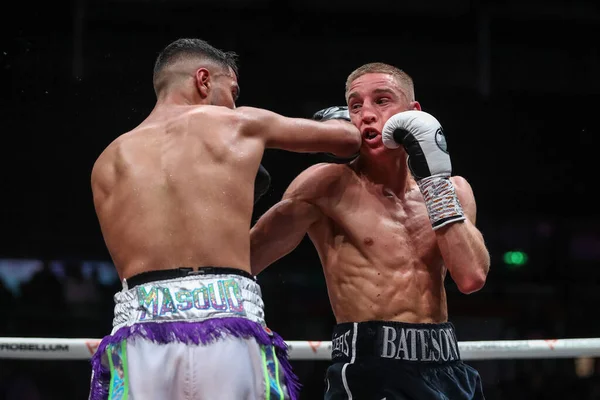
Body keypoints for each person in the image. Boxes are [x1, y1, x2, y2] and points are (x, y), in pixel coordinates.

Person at [89, 38, 361, 400]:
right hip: (228, 326)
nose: (233, 101)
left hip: (140, 333)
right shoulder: (238, 122)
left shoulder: (106, 162)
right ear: (203, 80)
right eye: (231, 90)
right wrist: (337, 118)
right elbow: (349, 139)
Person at [250, 62, 491, 399]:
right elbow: (245, 260)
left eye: (382, 100)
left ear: (413, 112)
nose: (366, 114)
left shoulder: (454, 189)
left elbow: (471, 277)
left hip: (447, 366)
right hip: (368, 369)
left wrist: (435, 184)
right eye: (355, 105)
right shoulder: (326, 185)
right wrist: (233, 197)